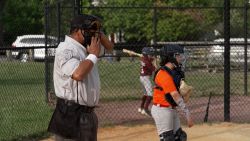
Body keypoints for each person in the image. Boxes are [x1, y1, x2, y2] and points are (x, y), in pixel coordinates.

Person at [47, 14, 114, 141]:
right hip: (70, 114)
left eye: (93, 31)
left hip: (87, 115)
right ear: (77, 30)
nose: (92, 34)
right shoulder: (66, 49)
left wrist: (98, 31)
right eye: (88, 30)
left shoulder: (84, 48)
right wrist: (93, 55)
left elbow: (110, 48)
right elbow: (78, 74)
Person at [151, 45, 193, 141]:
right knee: (168, 138)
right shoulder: (164, 74)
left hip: (171, 109)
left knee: (180, 137)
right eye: (178, 56)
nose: (181, 58)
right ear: (171, 57)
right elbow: (174, 95)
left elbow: (176, 91)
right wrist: (187, 114)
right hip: (162, 110)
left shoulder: (172, 72)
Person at [138, 47, 156, 116]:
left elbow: (149, 60)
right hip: (145, 78)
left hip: (142, 77)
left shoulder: (143, 59)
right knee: (150, 94)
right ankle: (145, 109)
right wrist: (154, 63)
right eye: (149, 54)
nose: (151, 55)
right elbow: (153, 69)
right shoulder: (146, 62)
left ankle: (141, 108)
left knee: (145, 93)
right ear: (146, 55)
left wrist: (152, 59)